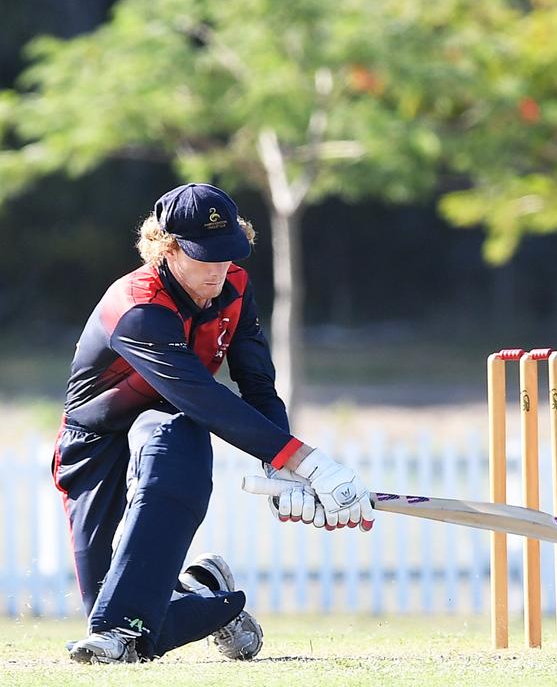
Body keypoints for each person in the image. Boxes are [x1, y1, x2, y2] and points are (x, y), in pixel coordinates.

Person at [52, 183, 376, 664]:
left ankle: (122, 629)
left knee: (119, 623)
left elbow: (258, 386)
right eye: (206, 258)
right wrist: (307, 462)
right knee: (112, 606)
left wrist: (279, 468)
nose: (220, 272)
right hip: (96, 437)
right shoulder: (138, 305)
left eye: (227, 256)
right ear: (168, 248)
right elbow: (199, 392)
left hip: (171, 417)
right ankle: (208, 596)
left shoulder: (235, 288)